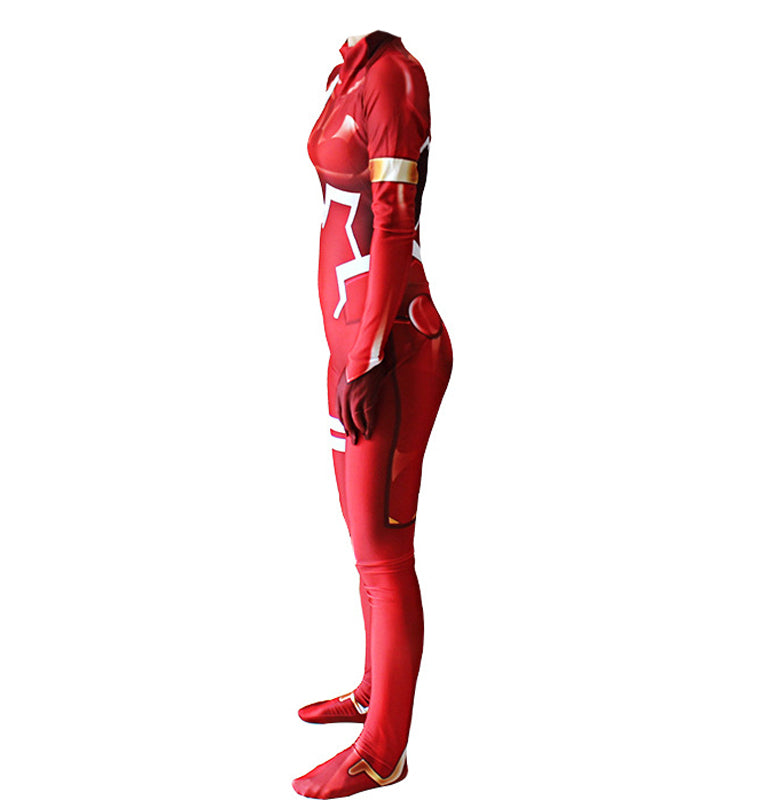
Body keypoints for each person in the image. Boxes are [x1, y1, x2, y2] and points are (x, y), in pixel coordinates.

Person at [295, 30, 453, 799]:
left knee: (385, 557)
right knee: (364, 547)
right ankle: (373, 691)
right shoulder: (349, 70)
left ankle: (384, 749)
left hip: (388, 351)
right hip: (353, 343)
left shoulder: (394, 77)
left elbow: (393, 220)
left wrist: (367, 357)